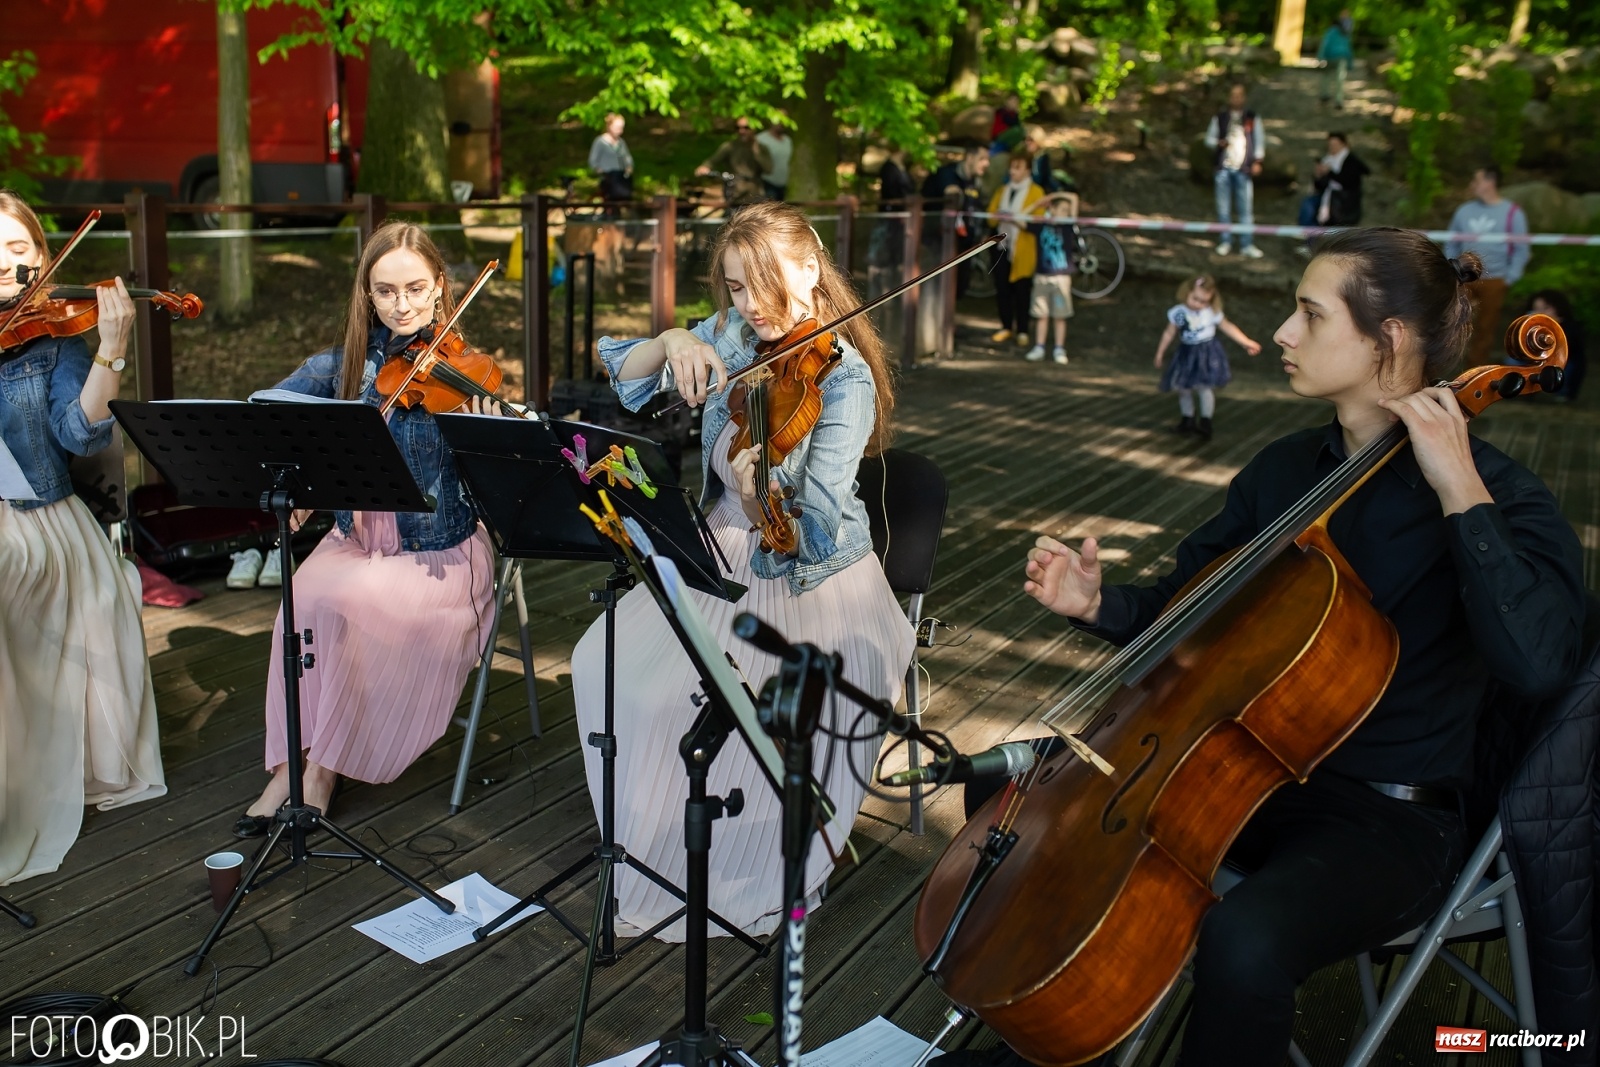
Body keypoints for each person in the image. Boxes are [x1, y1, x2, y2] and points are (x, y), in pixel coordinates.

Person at [1012, 227, 1585, 1067]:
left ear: (1387, 341)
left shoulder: (1500, 493)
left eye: (1309, 315)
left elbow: (1540, 663)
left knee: (1243, 937)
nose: (1282, 332)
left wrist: (1458, 485)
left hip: (1389, 820)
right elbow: (1187, 604)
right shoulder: (1288, 471)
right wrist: (1097, 603)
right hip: (1237, 777)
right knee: (1027, 811)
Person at [575, 201, 915, 940]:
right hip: (719, 550)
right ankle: (660, 853)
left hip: (810, 581)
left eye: (763, 284)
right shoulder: (735, 333)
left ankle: (741, 866)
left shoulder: (843, 376)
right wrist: (670, 341)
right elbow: (620, 371)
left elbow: (818, 519)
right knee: (604, 666)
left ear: (809, 266)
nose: (751, 305)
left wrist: (766, 487)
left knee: (711, 701)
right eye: (734, 287)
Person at [233, 221, 505, 837]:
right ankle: (292, 761)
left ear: (441, 287)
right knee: (298, 604)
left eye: (414, 288)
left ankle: (320, 772)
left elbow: (494, 486)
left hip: (438, 552)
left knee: (352, 607)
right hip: (354, 541)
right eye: (385, 292)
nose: (402, 305)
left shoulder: (469, 374)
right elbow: (267, 419)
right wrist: (299, 484)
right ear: (368, 295)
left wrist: (491, 433)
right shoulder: (341, 367)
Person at [0, 189, 166, 885]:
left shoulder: (56, 337)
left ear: (41, 255)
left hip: (35, 524)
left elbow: (78, 430)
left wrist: (114, 350)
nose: (7, 266)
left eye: (17, 249)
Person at [1155, 274, 1261, 440]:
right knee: (1183, 388)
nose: (1198, 304)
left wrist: (1245, 342)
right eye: (1195, 298)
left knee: (1205, 388)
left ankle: (1205, 421)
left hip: (1206, 353)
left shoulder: (1211, 312)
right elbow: (1169, 333)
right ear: (1187, 292)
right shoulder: (1178, 312)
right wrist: (1160, 353)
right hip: (1186, 353)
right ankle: (1187, 419)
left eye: (1203, 301)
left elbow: (1227, 326)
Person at [1445, 165, 1530, 365]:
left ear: (1490, 182)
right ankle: (1448, 365)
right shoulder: (1464, 211)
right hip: (1464, 277)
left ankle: (1476, 370)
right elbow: (1451, 241)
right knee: (1454, 321)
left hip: (1495, 279)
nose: (1472, 185)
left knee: (1486, 326)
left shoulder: (1512, 213)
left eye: (1477, 180)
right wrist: (1452, 269)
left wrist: (1510, 277)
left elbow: (1521, 248)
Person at [987, 153, 1045, 348]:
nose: (1012, 171)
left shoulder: (1036, 193)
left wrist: (1018, 221)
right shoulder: (1002, 190)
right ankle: (1005, 326)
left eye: (1017, 167)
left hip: (1024, 248)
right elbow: (990, 218)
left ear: (1027, 170)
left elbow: (1038, 224)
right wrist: (999, 216)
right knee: (1002, 288)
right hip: (1002, 246)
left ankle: (1022, 330)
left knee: (1022, 290)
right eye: (1011, 167)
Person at [1204, 84, 1266, 259]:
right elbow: (1208, 139)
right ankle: (1226, 241)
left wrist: (1258, 161)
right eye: (1233, 95)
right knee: (1223, 208)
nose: (1236, 99)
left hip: (1243, 168)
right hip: (1223, 168)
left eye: (1239, 96)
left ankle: (1247, 244)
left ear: (1244, 98)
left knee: (1246, 209)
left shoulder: (1252, 118)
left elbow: (1259, 140)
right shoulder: (1220, 117)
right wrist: (1218, 143)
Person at [922, 146, 991, 295]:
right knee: (937, 289)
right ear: (970, 158)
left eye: (988, 160)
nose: (987, 164)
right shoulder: (947, 173)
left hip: (963, 245)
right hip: (938, 244)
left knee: (957, 289)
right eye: (982, 159)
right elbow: (951, 193)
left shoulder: (975, 182)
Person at [1024, 193, 1078, 364]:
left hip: (1061, 278)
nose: (1066, 214)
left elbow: (1074, 198)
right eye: (1062, 210)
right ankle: (1039, 347)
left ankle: (1059, 349)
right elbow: (1020, 217)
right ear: (1052, 210)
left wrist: (1057, 195)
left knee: (1060, 316)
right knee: (1041, 314)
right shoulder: (1041, 226)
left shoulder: (1068, 227)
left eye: (1068, 211)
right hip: (1042, 276)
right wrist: (1038, 203)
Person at [695, 118, 773, 208]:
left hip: (755, 192)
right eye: (738, 128)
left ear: (753, 129)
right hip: (736, 192)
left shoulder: (762, 148)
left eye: (746, 128)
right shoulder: (730, 146)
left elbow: (768, 169)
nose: (741, 131)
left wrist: (756, 152)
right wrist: (705, 167)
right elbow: (712, 161)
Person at [1297, 132, 1368, 229]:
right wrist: (1318, 176)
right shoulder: (1327, 160)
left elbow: (1347, 182)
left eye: (1335, 145)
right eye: (1330, 145)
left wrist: (1329, 172)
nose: (1332, 147)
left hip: (1344, 201)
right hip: (1327, 198)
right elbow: (1320, 187)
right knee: (1308, 205)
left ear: (1343, 144)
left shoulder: (1352, 162)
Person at [1526, 289, 1586, 401]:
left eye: (1546, 308)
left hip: (1563, 364)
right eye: (1536, 309)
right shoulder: (1529, 326)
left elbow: (1571, 350)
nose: (1540, 313)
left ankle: (1561, 392)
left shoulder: (1571, 327)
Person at [588, 113, 635, 206]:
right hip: (608, 179)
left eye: (621, 128)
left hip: (621, 179)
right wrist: (600, 171)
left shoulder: (621, 143)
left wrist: (629, 168)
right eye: (618, 128)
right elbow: (593, 161)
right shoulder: (600, 142)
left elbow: (628, 159)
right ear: (609, 126)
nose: (620, 131)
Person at [1317, 10, 1355, 110]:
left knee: (1328, 77)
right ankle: (1336, 99)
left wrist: (1320, 57)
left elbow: (1324, 44)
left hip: (1332, 57)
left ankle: (1326, 96)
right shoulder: (1343, 33)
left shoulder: (1332, 31)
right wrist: (1350, 63)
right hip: (1338, 57)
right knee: (1339, 79)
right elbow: (1348, 48)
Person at [756, 120, 793, 202]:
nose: (781, 123)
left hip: (784, 185)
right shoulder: (761, 139)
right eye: (778, 120)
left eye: (784, 119)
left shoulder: (788, 140)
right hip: (767, 183)